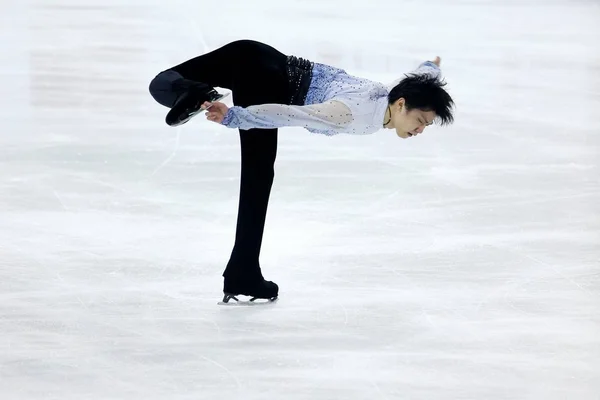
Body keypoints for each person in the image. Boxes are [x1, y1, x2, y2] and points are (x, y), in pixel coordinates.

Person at [148, 39, 455, 303]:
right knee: (258, 176)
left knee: (163, 81)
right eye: (422, 121)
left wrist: (431, 66)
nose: (421, 129)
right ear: (401, 106)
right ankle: (243, 273)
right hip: (266, 81)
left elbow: (417, 80)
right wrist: (235, 117)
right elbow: (291, 114)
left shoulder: (390, 97)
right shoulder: (352, 115)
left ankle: (193, 92)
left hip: (252, 53)